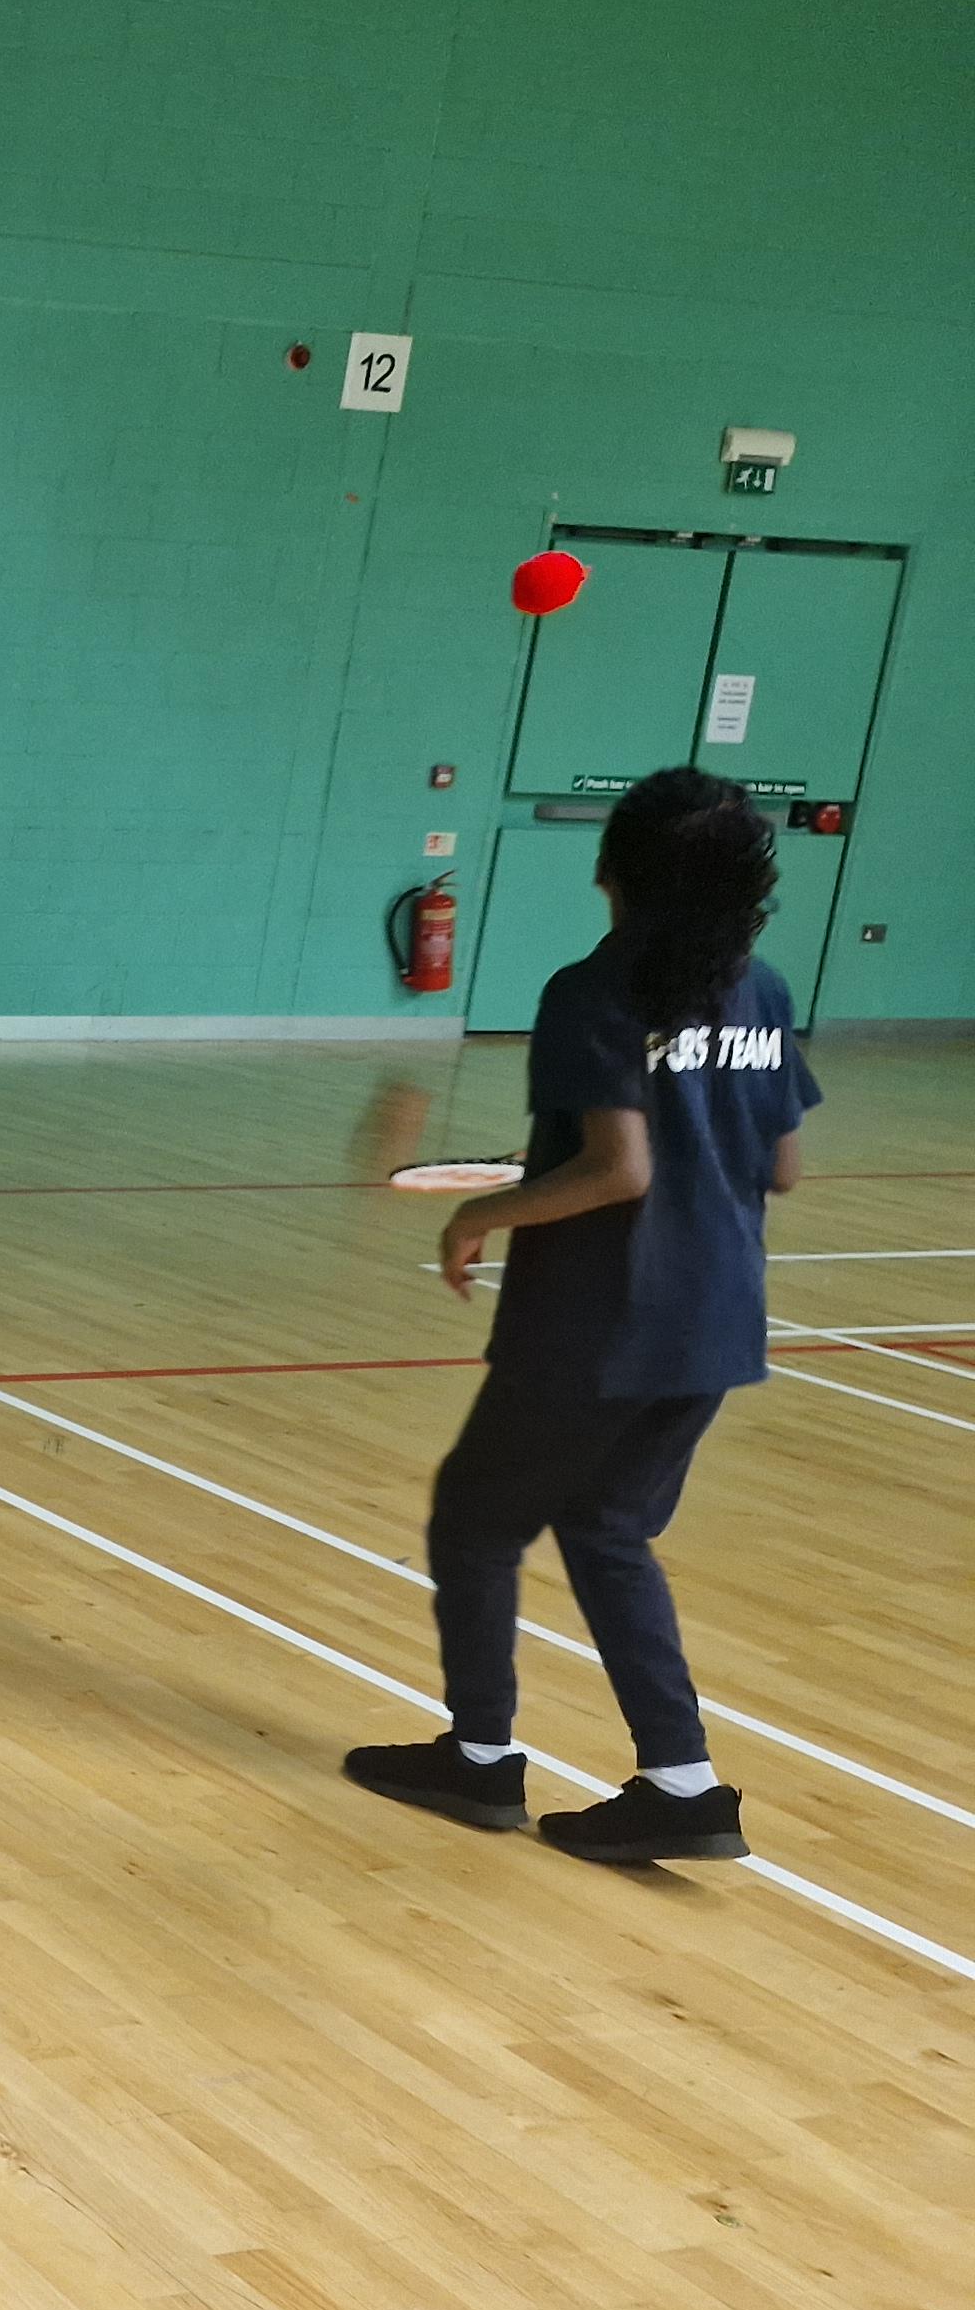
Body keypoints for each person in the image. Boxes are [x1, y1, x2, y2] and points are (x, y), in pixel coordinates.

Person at [344, 765, 819, 1864]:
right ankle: (682, 1786)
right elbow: (781, 1166)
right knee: (609, 1527)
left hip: (601, 1321)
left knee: (475, 1520)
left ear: (615, 869)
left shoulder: (593, 990)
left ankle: (478, 1760)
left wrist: (482, 1212)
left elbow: (620, 1169)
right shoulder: (762, 990)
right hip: (717, 1319)